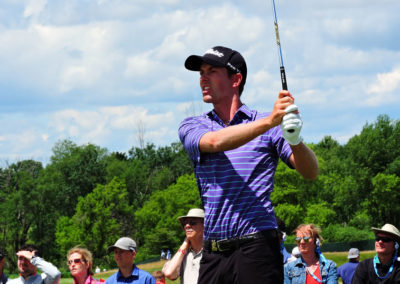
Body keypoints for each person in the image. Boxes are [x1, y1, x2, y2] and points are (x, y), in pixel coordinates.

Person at [178, 46, 318, 283]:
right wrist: (270, 121)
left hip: (257, 249)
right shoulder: (193, 125)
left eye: (211, 71)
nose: (202, 78)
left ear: (236, 79)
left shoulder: (269, 125)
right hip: (213, 254)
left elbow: (310, 171)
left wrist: (294, 140)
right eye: (201, 72)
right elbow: (215, 142)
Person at [163, 208, 204, 283]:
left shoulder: (212, 252)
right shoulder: (182, 254)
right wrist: (184, 244)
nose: (187, 226)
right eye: (185, 223)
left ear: (204, 226)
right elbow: (169, 273)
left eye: (193, 222)